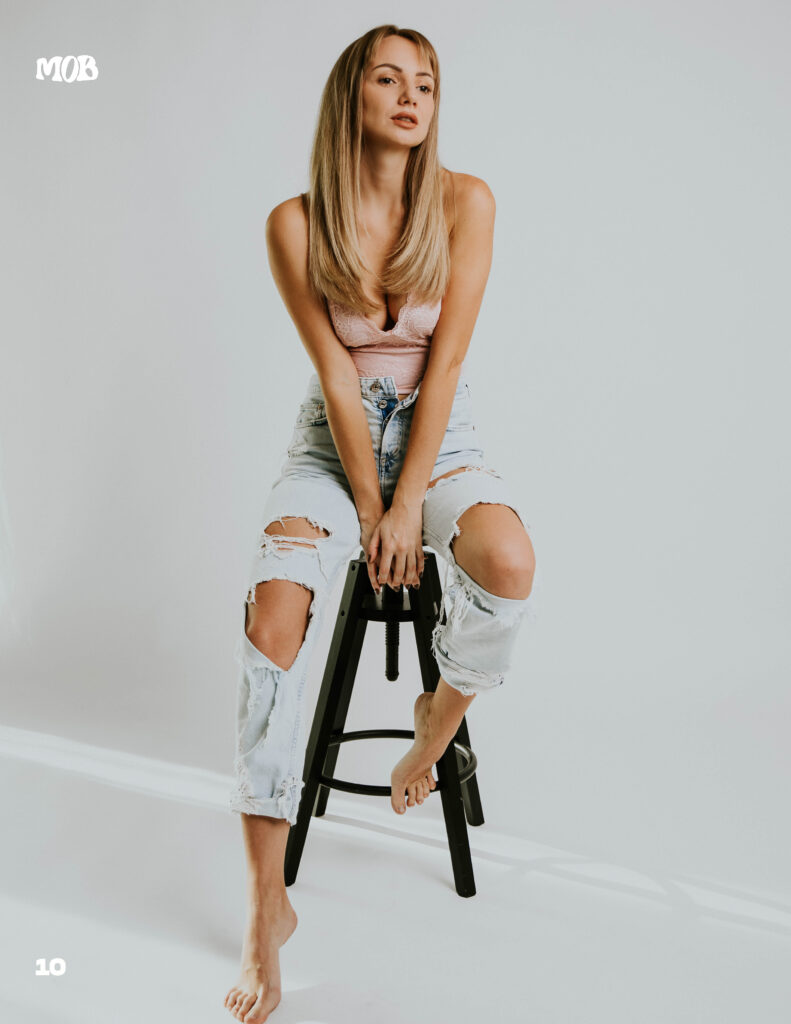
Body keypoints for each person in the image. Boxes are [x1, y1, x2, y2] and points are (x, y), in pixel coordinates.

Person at [224, 23, 539, 1024]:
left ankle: (433, 726)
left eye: (426, 84)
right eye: (389, 79)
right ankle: (264, 910)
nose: (411, 97)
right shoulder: (294, 222)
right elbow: (333, 368)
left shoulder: (464, 202)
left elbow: (444, 364)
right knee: (273, 618)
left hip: (439, 437)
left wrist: (408, 502)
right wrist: (368, 504)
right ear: (349, 98)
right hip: (334, 444)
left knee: (507, 560)